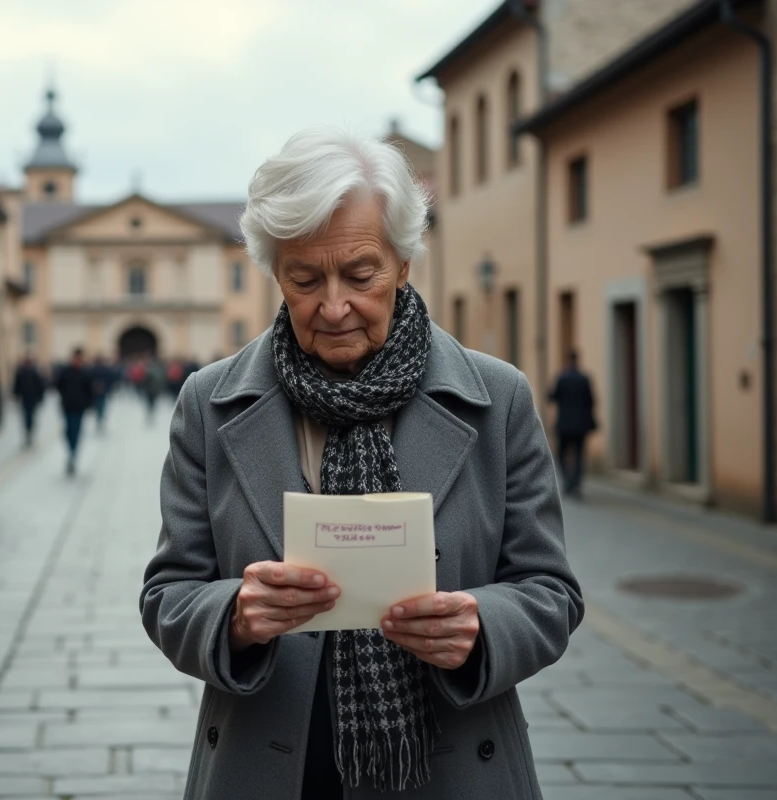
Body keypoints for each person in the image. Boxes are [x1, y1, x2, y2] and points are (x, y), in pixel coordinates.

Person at [141, 128, 583, 799]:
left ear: (404, 264)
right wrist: (235, 615)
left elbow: (551, 593)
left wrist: (480, 625)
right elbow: (168, 593)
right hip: (265, 768)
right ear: (274, 274)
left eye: (361, 273)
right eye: (305, 278)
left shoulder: (499, 399)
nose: (334, 305)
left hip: (452, 769)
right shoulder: (209, 403)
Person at [548, 349, 597, 498]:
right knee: (579, 454)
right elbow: (591, 401)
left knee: (561, 453)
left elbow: (551, 397)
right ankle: (576, 483)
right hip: (581, 425)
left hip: (564, 425)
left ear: (568, 360)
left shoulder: (562, 378)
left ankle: (568, 481)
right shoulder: (584, 379)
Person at [54, 347, 95, 475]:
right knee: (68, 431)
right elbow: (58, 386)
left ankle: (73, 453)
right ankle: (71, 452)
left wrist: (89, 405)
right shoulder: (65, 372)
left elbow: (89, 391)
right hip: (68, 406)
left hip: (79, 407)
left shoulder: (85, 373)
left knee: (76, 430)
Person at [11, 355, 46, 447]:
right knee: (26, 417)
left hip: (32, 399)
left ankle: (30, 431)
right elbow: (17, 386)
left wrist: (40, 398)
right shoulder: (21, 373)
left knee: (31, 416)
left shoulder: (35, 373)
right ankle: (28, 432)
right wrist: (16, 395)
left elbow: (40, 386)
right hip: (25, 399)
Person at [90, 354, 116, 434]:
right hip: (102, 393)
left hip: (97, 393)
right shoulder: (105, 370)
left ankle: (99, 420)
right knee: (101, 407)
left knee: (99, 407)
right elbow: (111, 380)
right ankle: (100, 420)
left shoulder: (93, 370)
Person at [142, 355, 167, 423]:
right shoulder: (156, 370)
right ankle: (150, 415)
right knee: (151, 404)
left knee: (150, 404)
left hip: (152, 390)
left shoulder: (149, 370)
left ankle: (150, 415)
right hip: (152, 390)